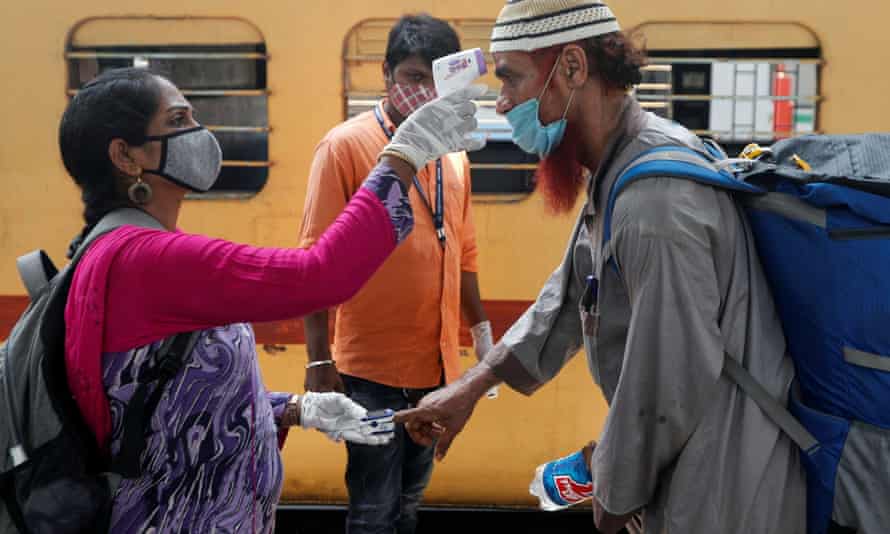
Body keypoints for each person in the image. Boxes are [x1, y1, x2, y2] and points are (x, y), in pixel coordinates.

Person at [396, 2, 806, 533]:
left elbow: (665, 378)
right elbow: (567, 297)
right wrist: (471, 388)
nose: (503, 102)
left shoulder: (654, 203)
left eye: (512, 79)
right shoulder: (623, 166)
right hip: (699, 465)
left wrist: (613, 493)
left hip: (726, 482)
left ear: (571, 67)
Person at [59, 67, 484, 533]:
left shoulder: (121, 250)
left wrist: (292, 409)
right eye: (179, 121)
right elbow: (319, 275)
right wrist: (402, 157)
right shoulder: (150, 260)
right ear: (125, 156)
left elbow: (171, 396)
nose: (200, 134)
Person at [298, 14, 492, 534]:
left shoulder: (454, 159)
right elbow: (313, 260)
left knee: (409, 501)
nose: (425, 93)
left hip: (436, 371)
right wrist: (319, 359)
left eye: (438, 80)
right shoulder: (345, 147)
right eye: (412, 77)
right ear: (385, 74)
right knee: (372, 511)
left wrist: (481, 336)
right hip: (370, 374)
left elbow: (464, 253)